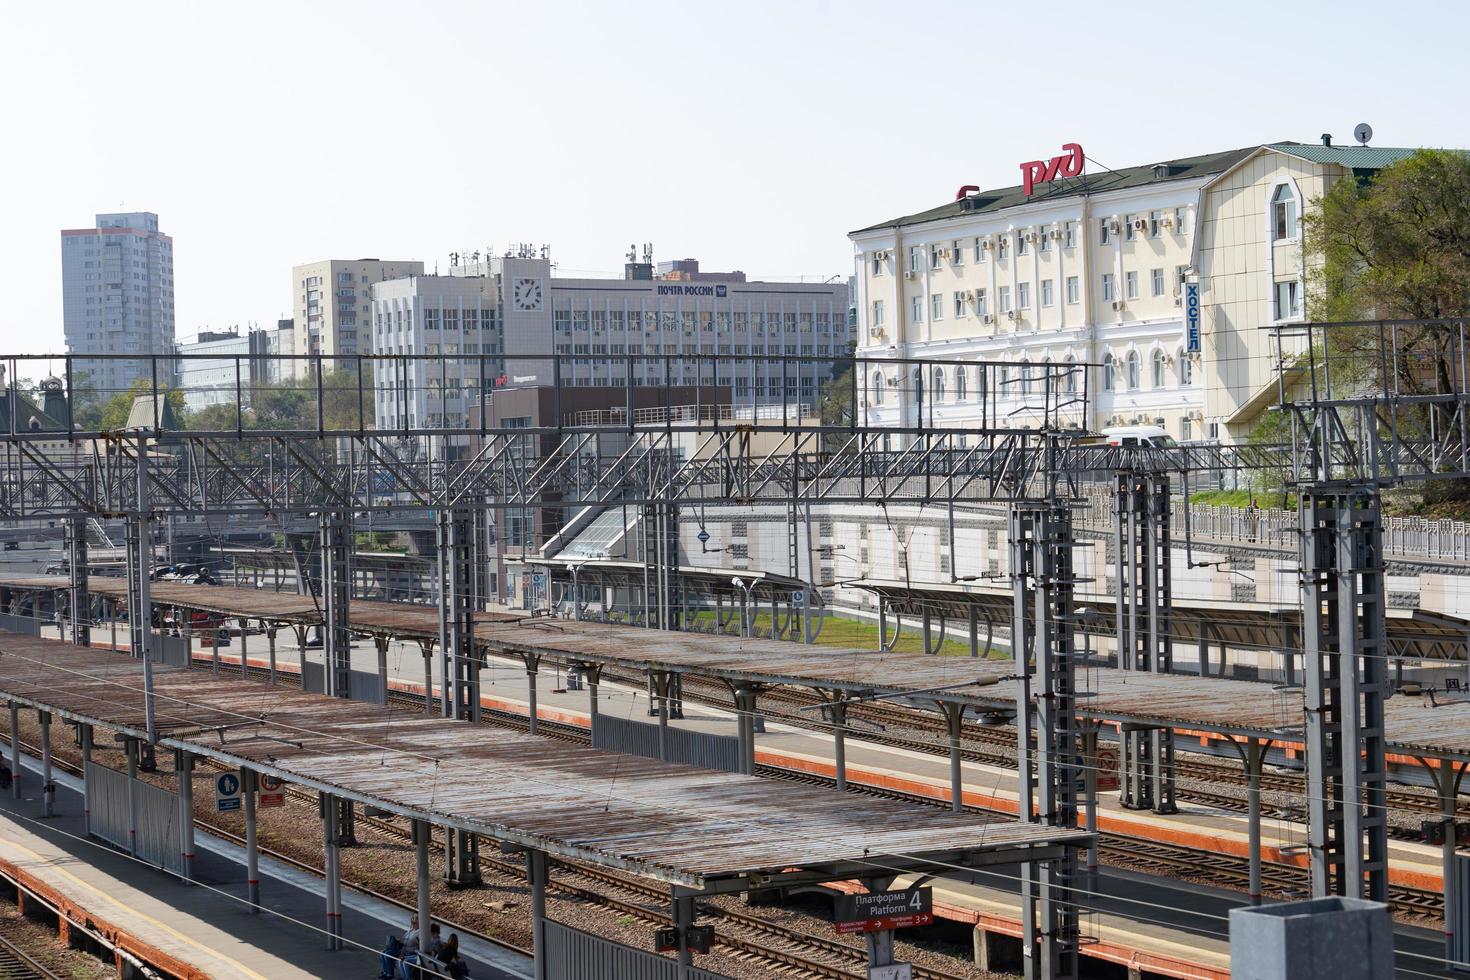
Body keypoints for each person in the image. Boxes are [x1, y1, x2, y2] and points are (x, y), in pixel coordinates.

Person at [378, 915, 417, 980]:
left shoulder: (419, 932)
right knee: (383, 952)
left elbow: (412, 943)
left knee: (388, 954)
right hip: (402, 948)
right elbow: (405, 938)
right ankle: (386, 972)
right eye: (412, 922)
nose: (412, 923)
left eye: (414, 922)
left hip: (408, 951)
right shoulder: (410, 930)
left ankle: (390, 974)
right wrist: (398, 940)